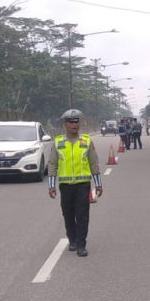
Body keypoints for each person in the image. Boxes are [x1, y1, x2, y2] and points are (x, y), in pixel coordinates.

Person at [46, 109, 103, 257]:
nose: (74, 125)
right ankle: (72, 239)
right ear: (65, 125)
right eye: (71, 122)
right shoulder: (58, 142)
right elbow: (52, 164)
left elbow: (94, 163)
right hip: (65, 186)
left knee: (82, 215)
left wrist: (98, 184)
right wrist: (51, 186)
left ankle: (81, 244)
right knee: (68, 214)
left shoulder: (86, 141)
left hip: (83, 185)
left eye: (76, 122)